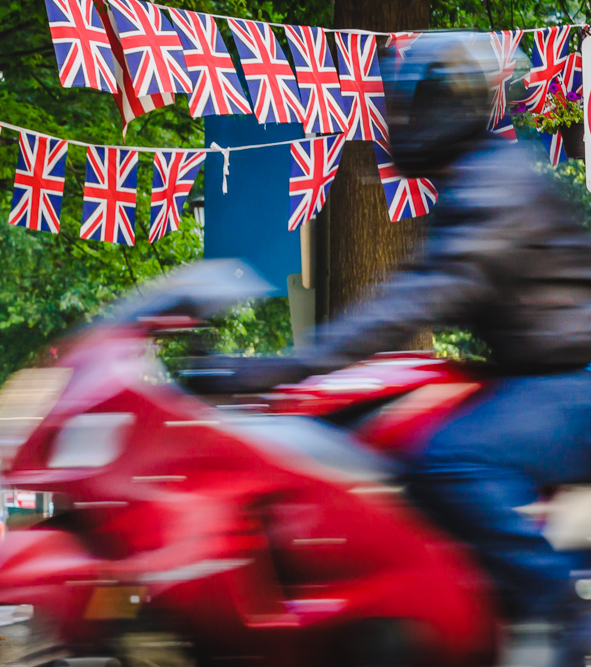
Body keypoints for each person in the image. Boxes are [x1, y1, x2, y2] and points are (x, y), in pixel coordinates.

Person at [186, 34, 591, 667]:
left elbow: (413, 302)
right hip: (541, 373)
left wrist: (282, 366)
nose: (400, 122)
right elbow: (416, 295)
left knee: (448, 459)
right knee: (399, 433)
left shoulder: (492, 191)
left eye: (413, 105)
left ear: (446, 107)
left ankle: (561, 609)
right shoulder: (477, 181)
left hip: (571, 382)